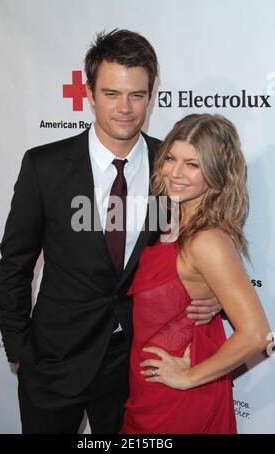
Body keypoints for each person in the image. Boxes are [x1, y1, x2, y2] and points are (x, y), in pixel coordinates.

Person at [0, 30, 221, 434]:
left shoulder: (171, 168)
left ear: (151, 95)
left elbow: (203, 247)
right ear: (90, 93)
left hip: (136, 364)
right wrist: (19, 348)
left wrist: (216, 299)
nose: (125, 108)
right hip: (53, 361)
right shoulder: (44, 166)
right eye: (112, 93)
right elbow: (15, 264)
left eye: (137, 94)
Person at [120, 113, 270, 434]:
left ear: (216, 172)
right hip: (147, 387)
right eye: (171, 158)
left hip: (178, 399)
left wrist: (189, 376)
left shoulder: (207, 241)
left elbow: (257, 334)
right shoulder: (167, 218)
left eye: (193, 164)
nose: (175, 172)